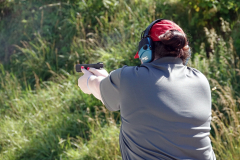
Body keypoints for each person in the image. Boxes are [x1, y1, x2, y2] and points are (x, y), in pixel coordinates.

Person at [78, 19, 216, 160]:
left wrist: (88, 80)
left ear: (146, 49)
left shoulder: (128, 78)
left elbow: (95, 86)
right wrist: (110, 80)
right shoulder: (200, 80)